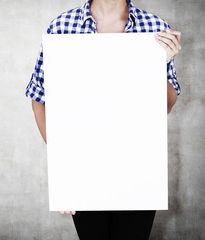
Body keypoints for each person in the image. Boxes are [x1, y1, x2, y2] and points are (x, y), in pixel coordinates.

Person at [25, 0, 182, 239]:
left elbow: (166, 105)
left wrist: (159, 65)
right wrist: (64, 172)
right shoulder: (62, 26)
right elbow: (40, 99)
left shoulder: (155, 27)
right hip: (83, 168)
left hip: (139, 169)